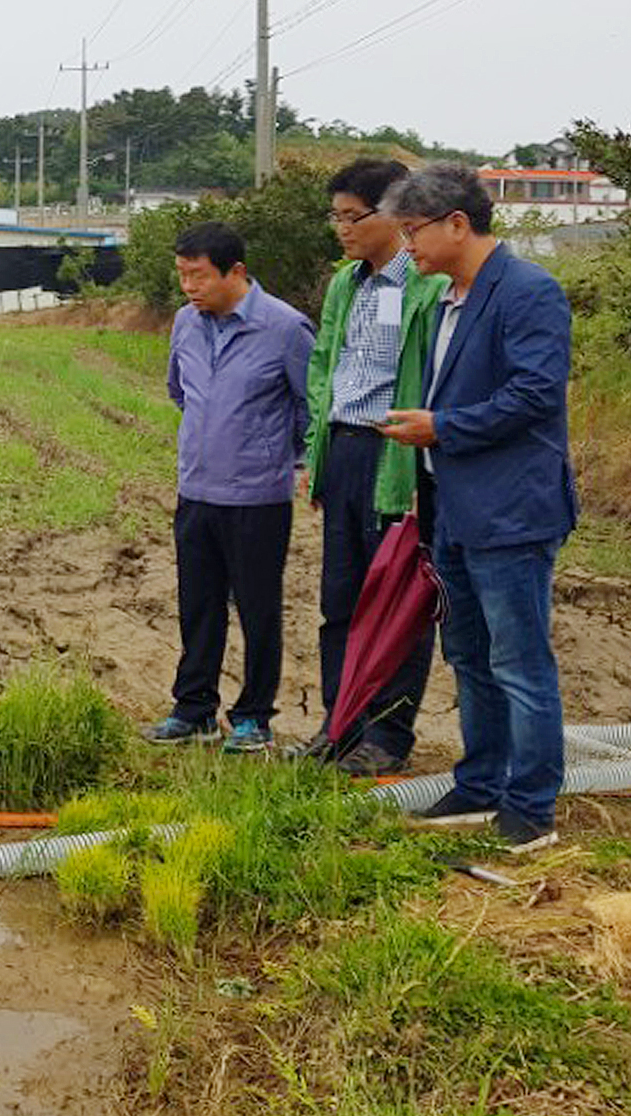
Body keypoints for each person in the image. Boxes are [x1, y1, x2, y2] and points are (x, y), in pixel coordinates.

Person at [379, 164, 575, 853]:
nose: (407, 248)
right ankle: (481, 781)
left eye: (413, 232)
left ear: (457, 223)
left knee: (520, 660)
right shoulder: (445, 300)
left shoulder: (527, 293)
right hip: (453, 507)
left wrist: (442, 428)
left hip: (510, 511)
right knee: (469, 654)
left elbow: (533, 395)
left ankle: (530, 807)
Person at [299, 159, 449, 775]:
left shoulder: (428, 286)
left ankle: (388, 738)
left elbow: (436, 380)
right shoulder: (347, 284)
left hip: (399, 456)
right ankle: (341, 723)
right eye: (335, 217)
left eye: (351, 217)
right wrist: (318, 452)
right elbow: (322, 370)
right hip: (346, 451)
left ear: (393, 213)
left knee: (397, 601)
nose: (342, 229)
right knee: (341, 599)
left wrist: (419, 468)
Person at [146, 221, 314, 754]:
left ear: (235, 272)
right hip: (196, 490)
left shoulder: (285, 328)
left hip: (258, 498)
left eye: (198, 276)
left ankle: (253, 717)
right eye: (182, 276)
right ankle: (193, 709)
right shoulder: (185, 323)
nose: (189, 287)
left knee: (258, 608)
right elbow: (181, 391)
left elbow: (310, 407)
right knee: (198, 605)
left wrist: (275, 455)